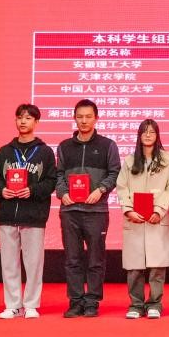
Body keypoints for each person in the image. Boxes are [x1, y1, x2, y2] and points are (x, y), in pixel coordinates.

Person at [55, 99, 121, 318]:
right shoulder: (64, 146)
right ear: (74, 118)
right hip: (70, 211)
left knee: (95, 259)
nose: (84, 121)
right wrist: (63, 193)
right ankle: (75, 301)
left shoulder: (108, 145)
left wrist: (101, 190)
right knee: (72, 259)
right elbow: (58, 174)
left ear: (96, 118)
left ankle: (92, 301)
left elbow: (115, 173)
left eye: (88, 116)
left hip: (96, 211)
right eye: (80, 117)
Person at [0, 103, 57, 319]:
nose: (23, 121)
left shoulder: (45, 152)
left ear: (36, 122)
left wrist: (32, 190)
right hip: (8, 214)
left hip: (34, 215)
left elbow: (51, 181)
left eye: (28, 118)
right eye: (20, 117)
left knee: (34, 263)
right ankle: (12, 305)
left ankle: (31, 305)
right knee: (9, 263)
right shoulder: (5, 151)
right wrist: (2, 190)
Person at [115, 119, 169, 319]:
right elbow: (122, 187)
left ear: (157, 135)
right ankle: (136, 304)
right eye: (145, 132)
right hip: (135, 219)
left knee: (157, 266)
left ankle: (154, 303)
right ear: (139, 135)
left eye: (152, 132)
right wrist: (128, 210)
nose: (148, 135)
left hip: (157, 219)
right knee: (134, 267)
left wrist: (159, 210)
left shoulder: (168, 160)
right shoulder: (129, 161)